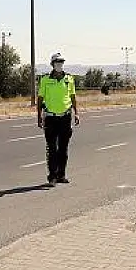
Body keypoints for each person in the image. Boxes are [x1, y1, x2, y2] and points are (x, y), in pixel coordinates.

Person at [37, 52, 80, 186]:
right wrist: (39, 116)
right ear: (52, 64)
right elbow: (40, 99)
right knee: (51, 148)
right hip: (50, 117)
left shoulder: (69, 79)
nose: (59, 65)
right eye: (57, 62)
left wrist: (76, 113)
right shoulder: (45, 79)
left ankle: (61, 174)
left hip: (65, 117)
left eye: (61, 62)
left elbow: (72, 96)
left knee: (63, 148)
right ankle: (52, 176)